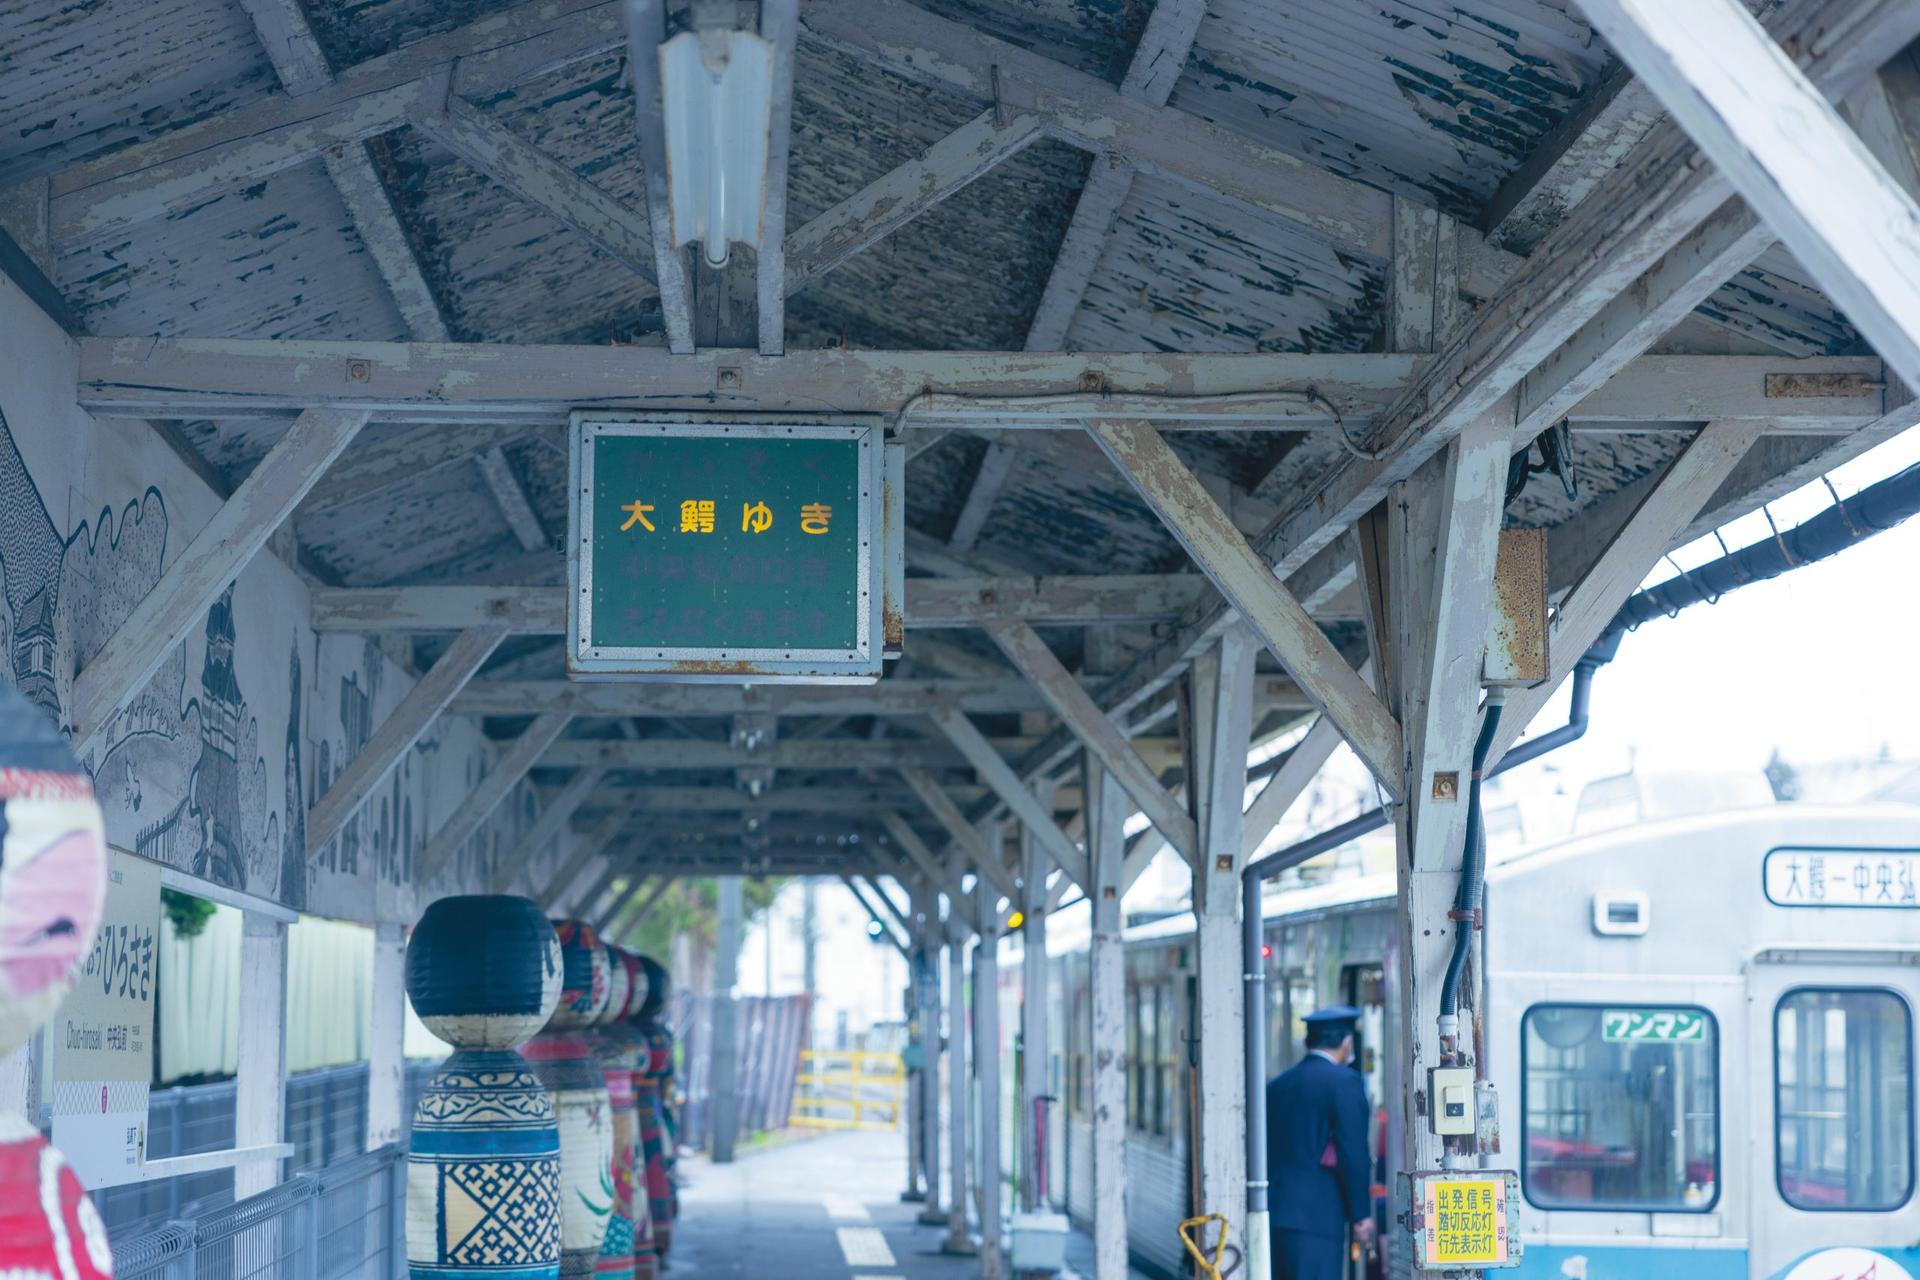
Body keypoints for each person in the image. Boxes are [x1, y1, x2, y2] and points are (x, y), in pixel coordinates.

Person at [1266, 1005, 1374, 1280]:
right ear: (1347, 1043)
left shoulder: (1277, 1086)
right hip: (1320, 1217)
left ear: (1306, 1043)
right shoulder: (1345, 1082)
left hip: (1277, 1214)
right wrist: (1360, 1214)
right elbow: (1353, 1152)